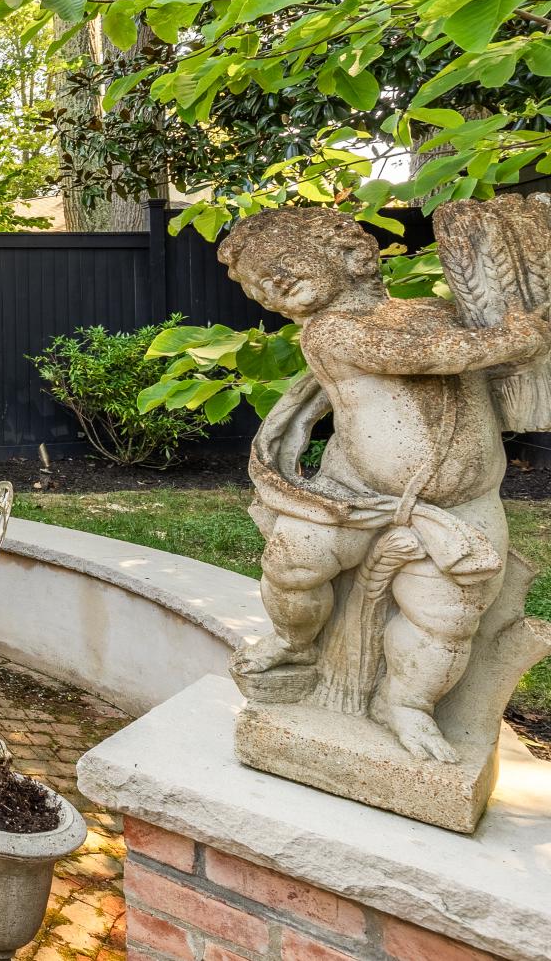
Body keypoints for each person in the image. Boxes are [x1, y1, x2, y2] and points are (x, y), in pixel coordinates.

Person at [220, 207, 545, 760]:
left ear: (351, 254)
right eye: (259, 284)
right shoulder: (331, 331)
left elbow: (482, 368)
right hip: (353, 495)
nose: (272, 284)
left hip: (463, 504)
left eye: (282, 263)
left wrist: (512, 331)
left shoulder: (436, 313)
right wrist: (514, 338)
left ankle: (408, 703)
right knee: (294, 562)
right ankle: (294, 642)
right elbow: (421, 356)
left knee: (448, 619)